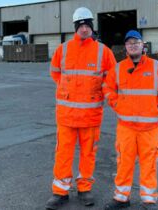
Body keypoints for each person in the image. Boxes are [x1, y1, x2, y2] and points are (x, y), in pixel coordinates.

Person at [45, 7, 116, 210]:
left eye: (88, 26)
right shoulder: (63, 49)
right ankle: (60, 192)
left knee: (88, 154)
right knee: (63, 154)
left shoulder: (104, 52)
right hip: (66, 116)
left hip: (91, 115)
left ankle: (85, 189)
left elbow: (111, 80)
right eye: (81, 26)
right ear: (75, 27)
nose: (84, 29)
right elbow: (55, 74)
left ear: (92, 27)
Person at [103, 30, 158, 210]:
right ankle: (121, 199)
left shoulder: (156, 67)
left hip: (149, 128)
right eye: (129, 43)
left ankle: (149, 200)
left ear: (143, 45)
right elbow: (107, 87)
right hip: (126, 127)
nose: (133, 45)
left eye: (136, 42)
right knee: (124, 164)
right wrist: (117, 104)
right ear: (126, 47)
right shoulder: (119, 68)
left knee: (148, 164)